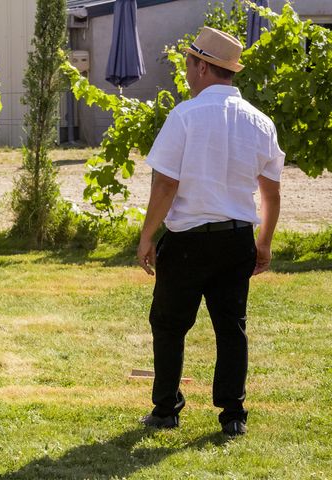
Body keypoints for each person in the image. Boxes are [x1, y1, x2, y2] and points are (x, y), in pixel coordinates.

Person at [137, 26, 284, 436]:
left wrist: (148, 235)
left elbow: (166, 184)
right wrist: (264, 240)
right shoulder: (260, 121)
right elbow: (271, 193)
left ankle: (166, 410)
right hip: (237, 237)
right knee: (231, 327)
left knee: (169, 325)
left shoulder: (185, 114)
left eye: (188, 64)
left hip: (187, 240)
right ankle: (233, 416)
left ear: (203, 66)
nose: (186, 73)